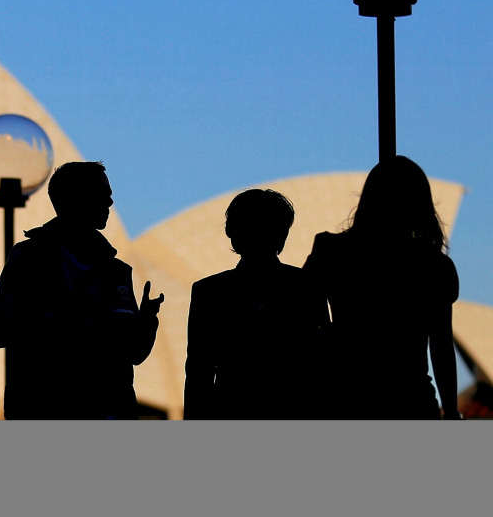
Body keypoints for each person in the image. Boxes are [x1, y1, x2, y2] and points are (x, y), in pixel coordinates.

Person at [0, 161, 164, 419]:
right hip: (46, 407)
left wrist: (147, 320)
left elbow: (134, 353)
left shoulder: (117, 270)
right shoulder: (30, 258)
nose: (110, 204)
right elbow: (0, 330)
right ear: (75, 199)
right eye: (102, 196)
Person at [302, 156, 461, 419]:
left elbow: (304, 316)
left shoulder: (331, 251)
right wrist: (452, 411)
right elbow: (441, 345)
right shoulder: (434, 265)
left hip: (347, 396)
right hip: (412, 399)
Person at [184, 189, 329, 419]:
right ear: (283, 233)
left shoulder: (209, 291)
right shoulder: (308, 287)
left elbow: (198, 375)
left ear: (231, 231)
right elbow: (322, 366)